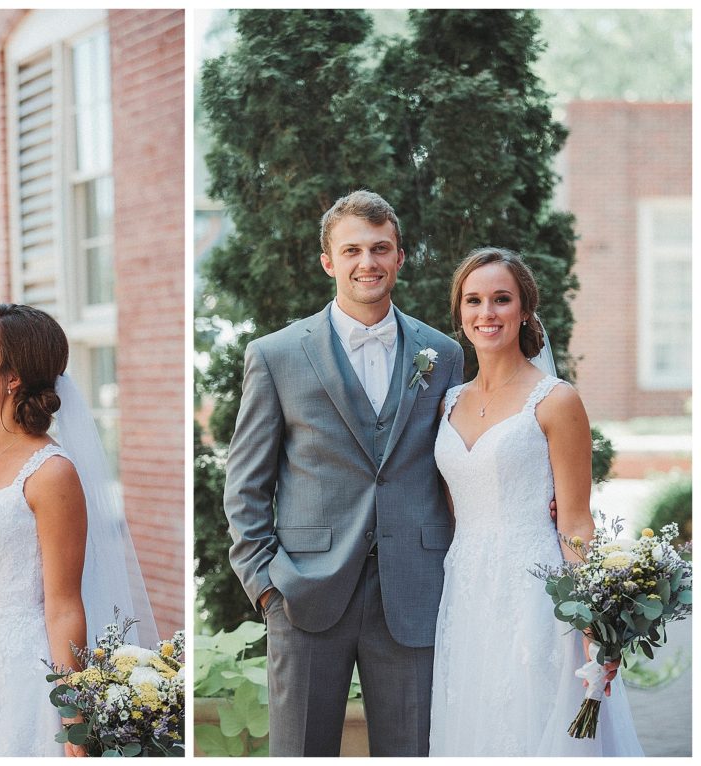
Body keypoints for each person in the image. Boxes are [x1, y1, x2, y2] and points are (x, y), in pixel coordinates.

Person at [223, 190, 465, 756]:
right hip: (306, 593)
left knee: (412, 751)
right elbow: (246, 483)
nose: (368, 263)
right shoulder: (275, 355)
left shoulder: (444, 354)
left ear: (400, 257)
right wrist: (266, 586)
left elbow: (461, 460)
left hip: (414, 590)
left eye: (381, 248)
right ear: (328, 261)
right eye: (352, 250)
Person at [429, 247, 642, 756]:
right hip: (463, 591)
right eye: (474, 301)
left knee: (532, 722)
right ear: (459, 311)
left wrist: (596, 630)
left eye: (502, 299)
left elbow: (574, 521)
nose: (487, 314)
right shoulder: (448, 401)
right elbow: (455, 507)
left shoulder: (556, 400)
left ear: (525, 309)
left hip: (535, 592)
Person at [0, 303, 157, 756]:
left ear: (13, 377)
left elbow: (63, 605)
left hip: (26, 671)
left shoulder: (51, 473)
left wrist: (73, 709)